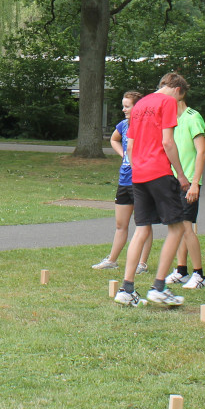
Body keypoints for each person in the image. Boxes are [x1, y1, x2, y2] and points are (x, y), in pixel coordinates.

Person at [114, 72, 192, 308]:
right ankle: (159, 287)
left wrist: (137, 168)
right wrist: (181, 174)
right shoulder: (168, 102)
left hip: (138, 175)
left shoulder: (140, 105)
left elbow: (130, 143)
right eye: (180, 99)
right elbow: (168, 141)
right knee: (177, 227)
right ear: (176, 90)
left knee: (141, 229)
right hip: (159, 172)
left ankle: (126, 289)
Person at [92, 91, 153, 273]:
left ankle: (142, 263)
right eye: (123, 105)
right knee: (121, 224)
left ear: (138, 107)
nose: (123, 109)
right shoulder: (124, 125)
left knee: (143, 224)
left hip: (141, 180)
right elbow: (113, 139)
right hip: (124, 180)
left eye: (127, 105)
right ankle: (112, 260)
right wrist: (124, 155)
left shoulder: (146, 126)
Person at [165, 98, 205, 289]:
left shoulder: (193, 117)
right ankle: (181, 271)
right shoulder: (170, 119)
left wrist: (195, 183)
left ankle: (199, 275)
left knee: (187, 227)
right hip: (173, 180)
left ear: (178, 94)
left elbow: (201, 152)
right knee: (177, 227)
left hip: (188, 182)